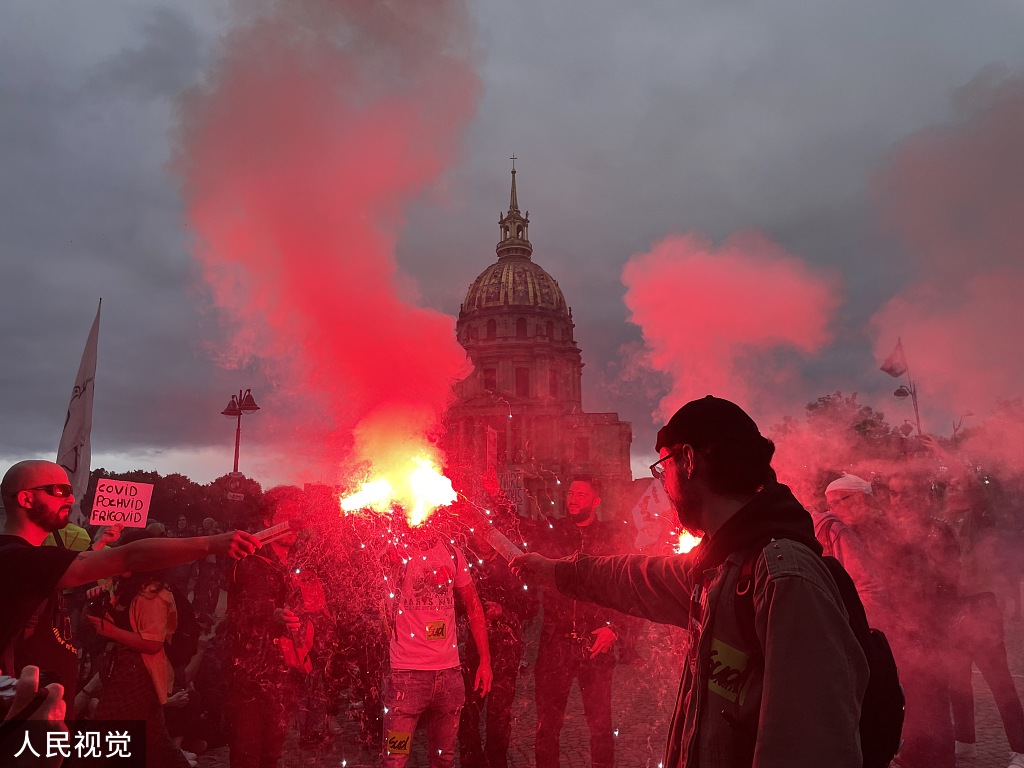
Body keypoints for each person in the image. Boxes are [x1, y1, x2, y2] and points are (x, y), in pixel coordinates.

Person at [511, 396, 868, 768]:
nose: (663, 485)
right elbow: (635, 577)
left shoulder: (784, 578)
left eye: (663, 468)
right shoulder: (718, 564)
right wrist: (555, 572)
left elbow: (812, 746)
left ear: (689, 460)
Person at [0, 459, 261, 716]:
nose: (70, 499)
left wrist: (98, 548)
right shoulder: (19, 559)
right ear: (26, 499)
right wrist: (210, 544)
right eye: (60, 491)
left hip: (38, 710)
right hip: (23, 715)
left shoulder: (25, 562)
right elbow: (128, 557)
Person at [381, 513, 492, 768]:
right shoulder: (395, 552)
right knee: (395, 759)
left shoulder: (453, 554)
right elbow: (375, 570)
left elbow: (474, 607)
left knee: (444, 759)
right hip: (406, 680)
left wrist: (485, 661)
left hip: (449, 679)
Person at [532, 476, 624, 768]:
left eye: (581, 494)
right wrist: (496, 499)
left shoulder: (610, 539)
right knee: (547, 727)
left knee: (600, 728)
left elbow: (625, 587)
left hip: (594, 644)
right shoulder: (553, 533)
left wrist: (615, 629)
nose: (572, 498)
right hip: (554, 644)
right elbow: (515, 527)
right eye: (571, 493)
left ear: (596, 502)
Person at [220, 486, 311, 768]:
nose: (294, 522)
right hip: (249, 672)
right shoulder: (250, 561)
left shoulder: (297, 563)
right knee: (247, 754)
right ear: (268, 521)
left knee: (271, 753)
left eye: (298, 515)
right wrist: (272, 614)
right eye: (287, 515)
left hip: (283, 673)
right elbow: (237, 611)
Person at [86, 530, 189, 768]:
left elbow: (152, 644)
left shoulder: (153, 595)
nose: (120, 559)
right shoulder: (125, 585)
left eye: (128, 555)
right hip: (124, 670)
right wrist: (98, 602)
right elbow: (89, 572)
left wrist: (110, 631)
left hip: (139, 675)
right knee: (154, 743)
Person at [457, 526, 537, 768]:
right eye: (477, 534)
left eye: (486, 534)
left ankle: (497, 761)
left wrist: (503, 612)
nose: (481, 539)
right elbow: (457, 604)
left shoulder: (513, 564)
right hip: (473, 648)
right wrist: (476, 611)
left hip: (505, 648)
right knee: (468, 713)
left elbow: (530, 606)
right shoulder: (467, 564)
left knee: (499, 716)